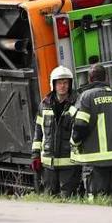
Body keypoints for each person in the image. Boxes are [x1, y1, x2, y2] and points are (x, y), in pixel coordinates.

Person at [70, 64, 112, 201]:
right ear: (106, 77)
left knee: (97, 202)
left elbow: (80, 125)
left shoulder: (86, 97)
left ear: (90, 79)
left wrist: (75, 142)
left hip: (95, 162)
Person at [31, 66, 81, 196]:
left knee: (68, 199)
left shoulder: (78, 104)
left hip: (70, 164)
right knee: (50, 199)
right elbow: (38, 133)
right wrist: (35, 156)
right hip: (48, 165)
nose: (63, 86)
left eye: (66, 82)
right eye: (59, 82)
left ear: (70, 84)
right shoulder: (44, 105)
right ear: (53, 84)